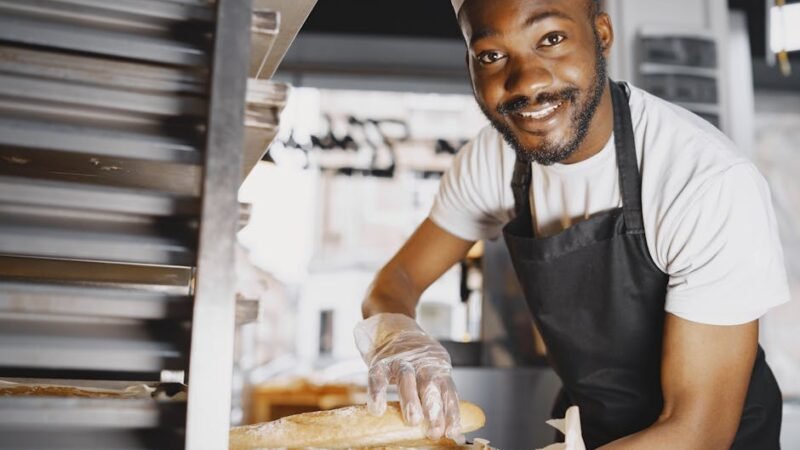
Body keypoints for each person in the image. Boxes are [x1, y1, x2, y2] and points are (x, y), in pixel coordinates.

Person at [352, 0, 791, 448]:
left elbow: (697, 431)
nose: (527, 81)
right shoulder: (494, 160)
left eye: (552, 39)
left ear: (601, 35)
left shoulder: (704, 182)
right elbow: (395, 281)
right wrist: (398, 334)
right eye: (491, 55)